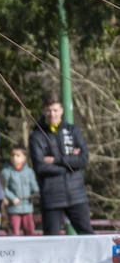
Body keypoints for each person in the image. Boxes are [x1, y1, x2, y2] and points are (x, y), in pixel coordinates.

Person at [28, 98, 92, 235]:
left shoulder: (73, 130)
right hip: (51, 198)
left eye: (55, 110)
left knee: (88, 236)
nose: (52, 114)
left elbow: (83, 159)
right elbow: (40, 167)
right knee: (51, 241)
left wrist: (56, 160)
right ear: (43, 111)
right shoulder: (36, 136)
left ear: (62, 111)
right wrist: (71, 165)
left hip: (77, 196)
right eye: (49, 110)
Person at [0, 146, 39, 237]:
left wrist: (37, 193)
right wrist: (12, 198)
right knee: (14, 233)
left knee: (30, 232)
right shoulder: (6, 171)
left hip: (27, 207)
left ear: (25, 157)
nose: (14, 158)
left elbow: (34, 185)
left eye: (18, 155)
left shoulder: (29, 172)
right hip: (14, 209)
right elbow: (2, 187)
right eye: (12, 155)